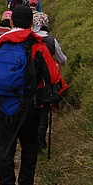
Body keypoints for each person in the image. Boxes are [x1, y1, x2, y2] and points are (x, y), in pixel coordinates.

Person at [0, 5, 67, 185]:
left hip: (3, 105)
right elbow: (54, 76)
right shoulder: (36, 46)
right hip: (31, 107)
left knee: (5, 149)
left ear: (11, 22)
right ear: (32, 23)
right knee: (29, 147)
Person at [31, 12, 68, 149]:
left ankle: (30, 140)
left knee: (32, 111)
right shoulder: (52, 41)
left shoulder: (29, 41)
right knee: (44, 112)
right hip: (48, 83)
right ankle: (40, 143)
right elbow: (62, 59)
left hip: (32, 83)